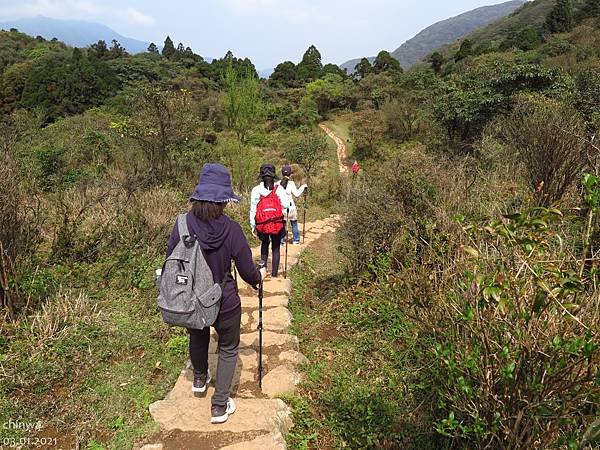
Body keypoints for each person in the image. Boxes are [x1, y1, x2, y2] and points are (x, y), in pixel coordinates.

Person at [166, 163, 266, 425]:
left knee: (198, 336)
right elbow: (246, 270)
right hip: (224, 299)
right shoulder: (232, 229)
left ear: (198, 194)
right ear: (223, 199)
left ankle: (200, 378)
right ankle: (219, 406)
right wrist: (258, 280)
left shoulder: (181, 225)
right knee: (228, 348)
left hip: (191, 299)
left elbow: (171, 261)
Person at [250, 163, 290, 277]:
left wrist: (253, 225)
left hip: (262, 224)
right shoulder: (279, 189)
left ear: (261, 177)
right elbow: (286, 205)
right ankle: (274, 274)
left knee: (264, 244)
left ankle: (263, 271)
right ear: (274, 176)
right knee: (276, 248)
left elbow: (253, 209)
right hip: (277, 223)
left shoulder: (256, 190)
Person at [279, 164, 307, 245]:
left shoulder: (277, 183)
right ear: (290, 173)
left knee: (282, 225)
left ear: (282, 173)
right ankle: (296, 240)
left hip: (282, 208)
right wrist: (303, 186)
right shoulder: (291, 183)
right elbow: (297, 194)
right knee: (294, 223)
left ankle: (281, 241)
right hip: (291, 208)